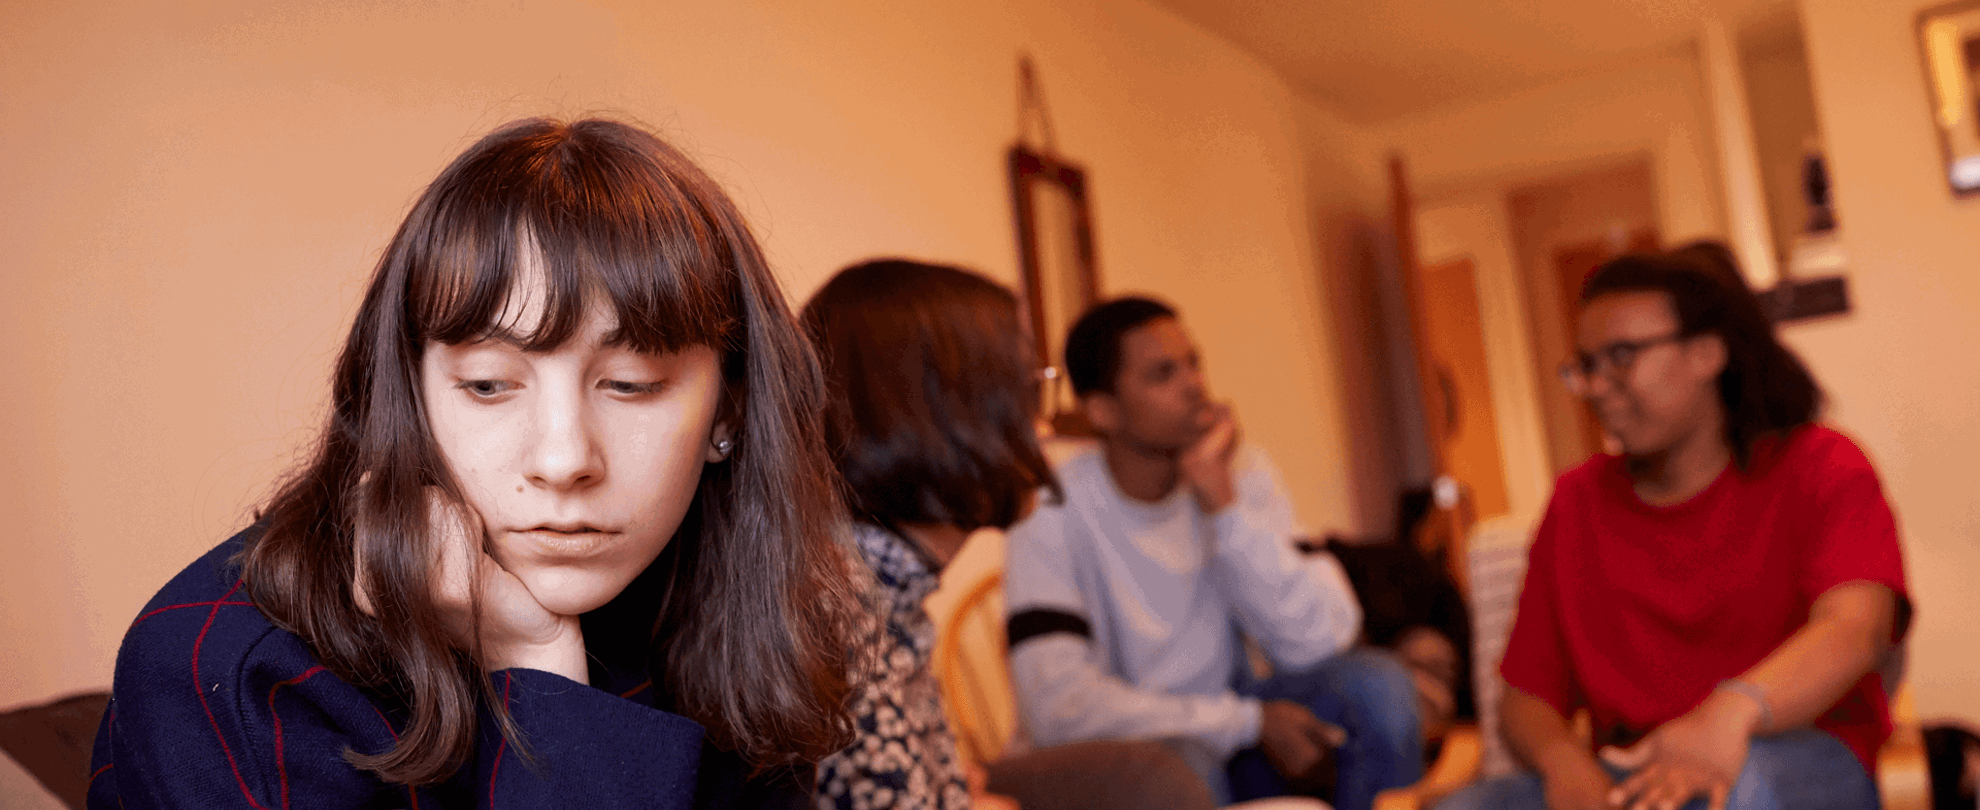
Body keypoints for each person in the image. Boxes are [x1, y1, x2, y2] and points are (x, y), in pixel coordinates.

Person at [88, 117, 870, 809]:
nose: (563, 459)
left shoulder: (740, 615)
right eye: (490, 385)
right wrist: (540, 669)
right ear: (412, 396)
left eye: (631, 385)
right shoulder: (228, 668)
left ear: (728, 412)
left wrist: (534, 660)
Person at [1437, 250, 1910, 810]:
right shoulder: (1576, 503)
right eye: (1586, 365)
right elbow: (1525, 697)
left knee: (1740, 793)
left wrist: (1728, 717)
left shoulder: (1822, 464)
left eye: (1621, 356)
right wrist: (1564, 763)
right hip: (1636, 770)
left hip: (1792, 749)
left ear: (1708, 353)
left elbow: (1856, 629)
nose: (1596, 386)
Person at [803, 261, 1220, 810]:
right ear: (934, 413)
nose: (1043, 428)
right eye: (1025, 392)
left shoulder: (888, 592)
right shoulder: (839, 620)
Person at [1002, 296, 1424, 810]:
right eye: (1162, 374)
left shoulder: (1237, 471)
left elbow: (1316, 646)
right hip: (1117, 759)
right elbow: (1059, 708)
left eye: (1193, 363)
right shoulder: (1052, 506)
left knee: (1377, 688)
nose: (1194, 386)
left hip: (1229, 731)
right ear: (1102, 411)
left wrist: (1224, 506)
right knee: (1180, 765)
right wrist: (1243, 722)